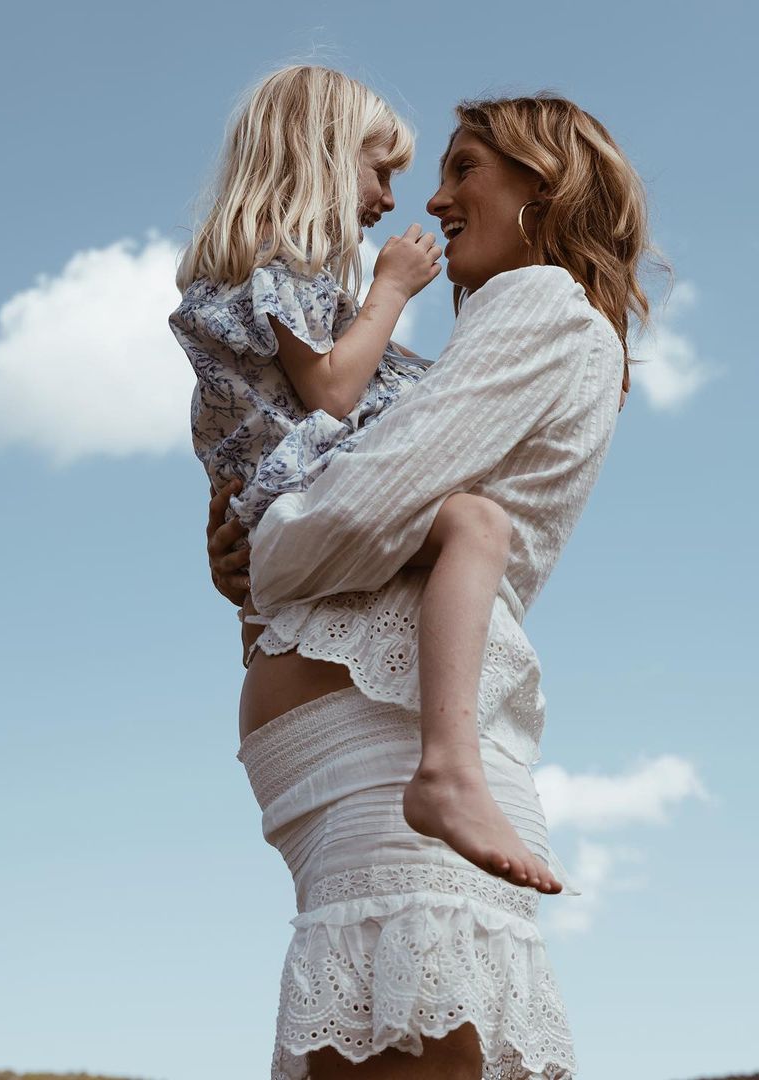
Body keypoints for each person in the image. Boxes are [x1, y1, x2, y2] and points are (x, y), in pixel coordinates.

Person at [208, 94, 665, 1079]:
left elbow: (361, 509)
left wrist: (263, 548)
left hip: (392, 743)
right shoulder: (519, 326)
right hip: (368, 741)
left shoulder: (542, 303)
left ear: (546, 184)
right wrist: (253, 556)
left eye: (465, 169)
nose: (435, 198)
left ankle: (448, 778)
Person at [170, 65, 560, 891]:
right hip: (302, 496)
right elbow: (335, 391)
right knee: (477, 526)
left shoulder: (274, 282)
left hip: (284, 525)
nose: (390, 198)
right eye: (380, 170)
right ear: (318, 153)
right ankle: (449, 767)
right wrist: (390, 288)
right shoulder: (278, 273)